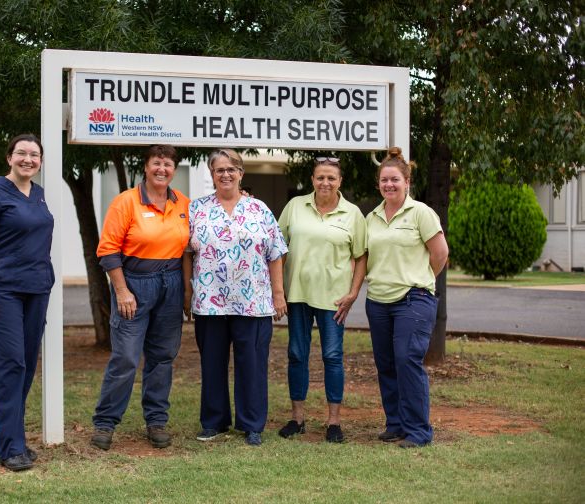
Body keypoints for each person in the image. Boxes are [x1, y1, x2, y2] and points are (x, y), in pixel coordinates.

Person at [183, 148, 288, 447]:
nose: (225, 174)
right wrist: (188, 293)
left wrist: (278, 295)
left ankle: (252, 423)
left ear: (241, 173)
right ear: (212, 174)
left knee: (252, 363)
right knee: (212, 363)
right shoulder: (198, 209)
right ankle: (214, 421)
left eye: (232, 169)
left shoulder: (259, 209)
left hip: (253, 301)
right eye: (219, 170)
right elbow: (187, 253)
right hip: (209, 301)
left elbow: (275, 253)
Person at [91, 145, 189, 451]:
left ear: (174, 169)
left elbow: (188, 250)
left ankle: (156, 420)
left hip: (171, 285)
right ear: (146, 167)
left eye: (168, 164)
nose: (162, 169)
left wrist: (186, 292)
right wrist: (121, 291)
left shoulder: (183, 203)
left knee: (162, 357)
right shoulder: (125, 202)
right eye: (157, 163)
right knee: (126, 358)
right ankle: (105, 423)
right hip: (134, 284)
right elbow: (108, 250)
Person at [0, 133, 54, 472]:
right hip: (2, 292)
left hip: (37, 290)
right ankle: (10, 448)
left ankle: (12, 438)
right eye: (21, 153)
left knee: (27, 366)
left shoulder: (40, 195)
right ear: (9, 157)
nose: (27, 159)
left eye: (34, 155)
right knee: (9, 366)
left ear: (41, 161)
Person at [276, 156, 367, 443]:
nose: (325, 182)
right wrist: (278, 289)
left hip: (334, 299)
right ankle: (297, 417)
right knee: (297, 355)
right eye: (320, 177)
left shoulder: (352, 214)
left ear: (340, 181)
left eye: (331, 178)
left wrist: (353, 293)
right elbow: (278, 249)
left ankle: (334, 422)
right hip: (298, 294)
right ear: (312, 180)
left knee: (332, 356)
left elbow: (361, 256)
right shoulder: (294, 207)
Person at [365, 146, 449, 448]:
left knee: (406, 360)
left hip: (413, 299)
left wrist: (419, 279)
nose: (389, 185)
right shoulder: (371, 217)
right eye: (384, 180)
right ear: (379, 183)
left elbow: (440, 254)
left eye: (395, 180)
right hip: (377, 300)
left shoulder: (421, 213)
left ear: (407, 182)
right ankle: (396, 424)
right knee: (386, 364)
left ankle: (418, 431)